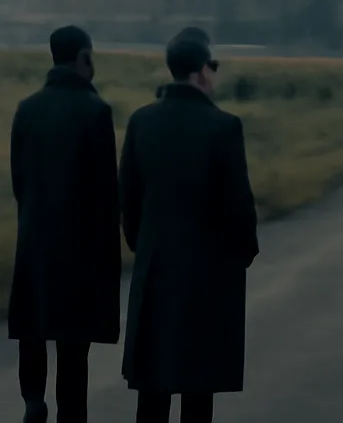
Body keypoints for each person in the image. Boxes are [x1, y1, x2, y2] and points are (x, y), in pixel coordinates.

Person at [120, 32, 259, 423]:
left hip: (157, 268)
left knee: (152, 385)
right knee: (198, 388)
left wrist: (144, 247)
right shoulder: (223, 127)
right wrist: (241, 255)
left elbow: (128, 199)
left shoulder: (141, 121)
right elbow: (238, 207)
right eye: (212, 66)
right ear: (201, 71)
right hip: (207, 275)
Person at [8, 25, 121, 423]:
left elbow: (19, 181)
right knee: (73, 352)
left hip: (35, 242)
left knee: (33, 334)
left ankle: (32, 402)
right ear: (83, 58)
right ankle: (69, 415)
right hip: (79, 251)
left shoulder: (27, 108)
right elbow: (107, 195)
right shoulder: (96, 112)